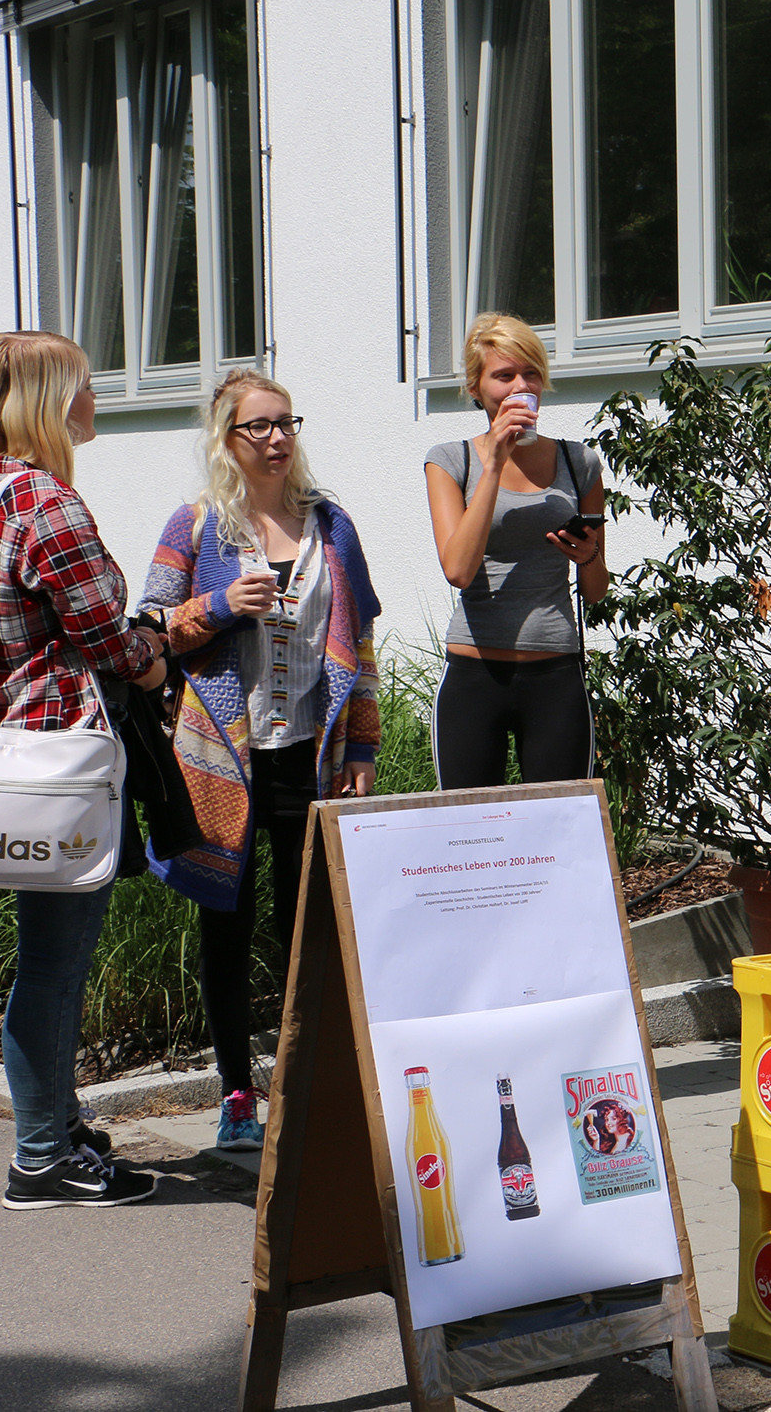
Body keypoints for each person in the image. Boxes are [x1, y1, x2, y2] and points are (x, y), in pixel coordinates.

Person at [141, 370, 381, 1150]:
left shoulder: (331, 525)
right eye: (259, 427)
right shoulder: (197, 525)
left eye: (287, 423)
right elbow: (149, 632)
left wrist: (366, 746)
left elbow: (362, 648)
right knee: (227, 927)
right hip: (222, 760)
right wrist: (217, 607)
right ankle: (237, 1096)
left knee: (308, 929)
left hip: (310, 757)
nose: (278, 439)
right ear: (228, 437)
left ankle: (306, 1084)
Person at [0, 331, 168, 1209]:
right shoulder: (47, 503)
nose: (96, 400)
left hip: (19, 752)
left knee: (46, 956)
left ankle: (58, 1126)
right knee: (53, 963)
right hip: (64, 757)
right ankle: (40, 1155)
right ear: (50, 399)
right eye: (85, 385)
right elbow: (101, 635)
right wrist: (150, 656)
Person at [425, 312, 608, 788]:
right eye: (504, 376)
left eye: (529, 373)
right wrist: (495, 463)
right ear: (476, 387)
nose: (519, 386)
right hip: (474, 671)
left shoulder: (579, 460)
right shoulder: (451, 460)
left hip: (555, 670)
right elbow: (459, 569)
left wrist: (586, 555)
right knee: (472, 834)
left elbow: (596, 591)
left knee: (560, 828)